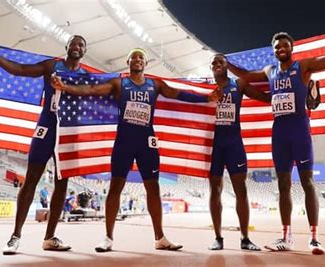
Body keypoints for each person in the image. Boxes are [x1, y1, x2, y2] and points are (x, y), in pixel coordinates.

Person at [227, 22, 325, 255]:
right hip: (279, 131)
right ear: (274, 51)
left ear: (291, 48)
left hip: (299, 129)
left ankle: (314, 238)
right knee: (282, 184)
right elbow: (245, 75)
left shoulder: (303, 67)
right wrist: (224, 63)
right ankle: (286, 236)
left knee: (307, 182)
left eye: (284, 45)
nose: (281, 48)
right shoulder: (270, 71)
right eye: (277, 46)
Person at [51, 47, 220, 252]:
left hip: (147, 142)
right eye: (134, 57)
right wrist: (65, 87)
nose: (138, 60)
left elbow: (177, 94)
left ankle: (160, 238)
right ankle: (108, 238)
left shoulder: (155, 84)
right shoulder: (119, 84)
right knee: (115, 188)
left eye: (141, 57)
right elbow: (91, 91)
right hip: (124, 141)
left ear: (145, 64)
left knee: (153, 188)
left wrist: (206, 98)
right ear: (128, 62)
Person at [0, 35, 89, 254]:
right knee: (31, 179)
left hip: (67, 131)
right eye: (74, 44)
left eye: (81, 45)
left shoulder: (86, 76)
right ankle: (15, 236)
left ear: (84, 50)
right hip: (47, 126)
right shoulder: (52, 66)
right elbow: (19, 69)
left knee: (63, 184)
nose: (77, 47)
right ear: (67, 47)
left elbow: (98, 97)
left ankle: (49, 238)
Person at [207, 54, 271, 251]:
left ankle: (245, 238)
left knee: (241, 190)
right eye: (214, 63)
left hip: (234, 144)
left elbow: (264, 97)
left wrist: (291, 91)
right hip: (213, 145)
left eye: (221, 62)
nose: (217, 64)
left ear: (228, 66)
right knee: (214, 190)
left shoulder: (239, 84)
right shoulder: (205, 88)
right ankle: (218, 237)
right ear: (210, 68)